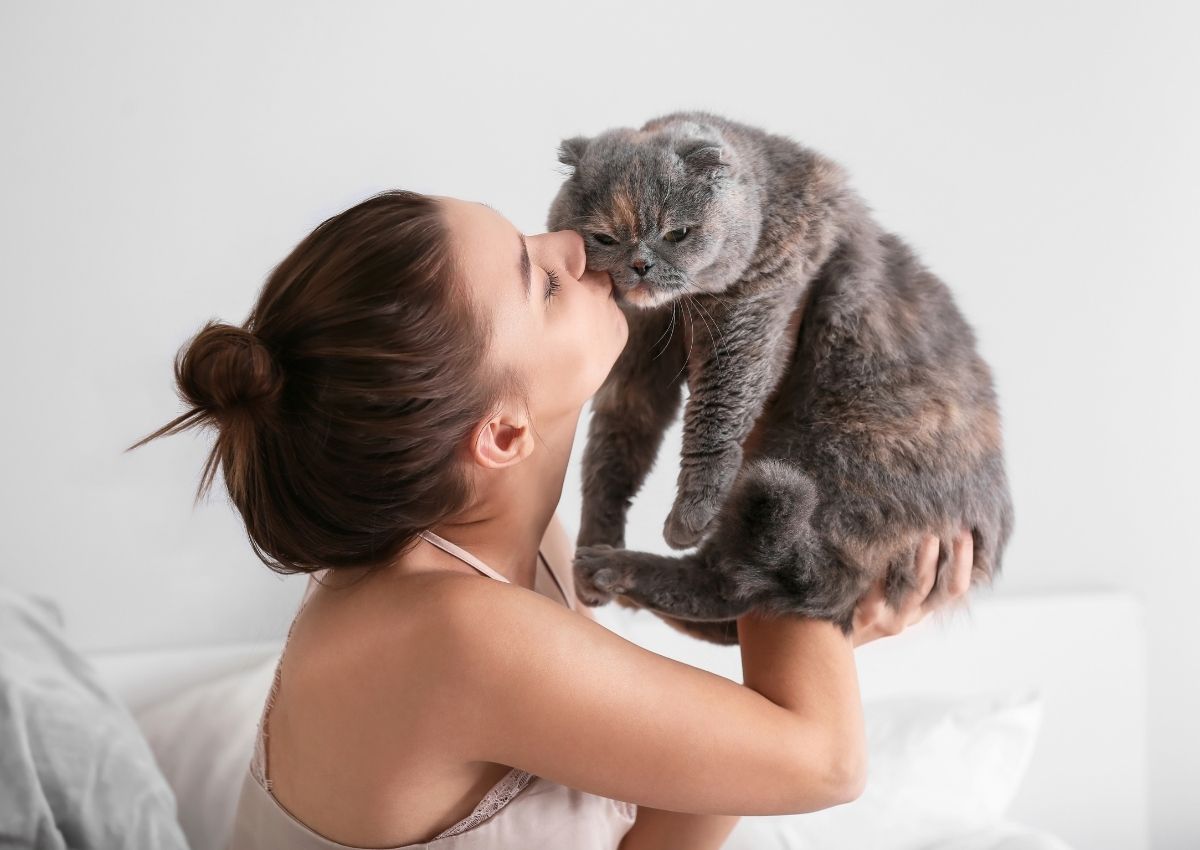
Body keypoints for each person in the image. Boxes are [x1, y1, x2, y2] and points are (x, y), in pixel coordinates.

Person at [127, 190, 975, 850]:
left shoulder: (495, 567)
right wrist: (780, 488)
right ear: (502, 433)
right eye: (543, 281)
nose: (574, 244)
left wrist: (827, 626)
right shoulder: (454, 631)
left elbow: (678, 820)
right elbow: (826, 764)